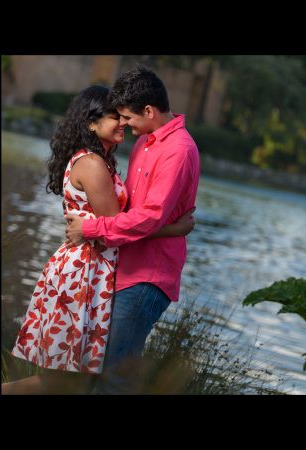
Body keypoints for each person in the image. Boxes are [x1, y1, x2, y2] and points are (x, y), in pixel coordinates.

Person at [3, 85, 194, 394]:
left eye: (123, 116)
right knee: (61, 382)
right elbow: (115, 229)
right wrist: (174, 228)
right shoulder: (92, 164)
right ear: (91, 123)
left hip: (91, 273)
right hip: (83, 274)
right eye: (113, 116)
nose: (122, 123)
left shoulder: (101, 161)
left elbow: (113, 225)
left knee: (70, 382)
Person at [65, 66, 201, 394]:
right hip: (122, 270)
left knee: (115, 378)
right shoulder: (144, 142)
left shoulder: (178, 151)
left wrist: (92, 228)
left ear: (149, 111)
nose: (123, 124)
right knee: (97, 372)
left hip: (147, 278)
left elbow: (148, 218)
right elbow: (130, 211)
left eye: (127, 117)